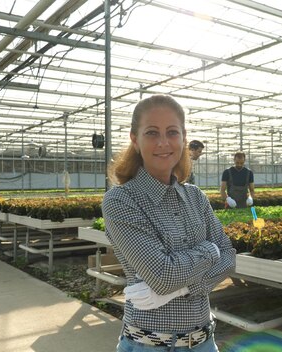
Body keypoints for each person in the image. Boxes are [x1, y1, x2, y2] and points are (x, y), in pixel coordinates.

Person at [102, 95, 236, 352]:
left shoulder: (195, 196)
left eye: (172, 132)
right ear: (135, 139)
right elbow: (163, 276)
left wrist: (180, 289)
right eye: (151, 132)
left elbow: (229, 256)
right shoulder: (121, 200)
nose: (163, 142)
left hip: (204, 342)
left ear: (183, 138)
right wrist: (210, 250)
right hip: (150, 345)